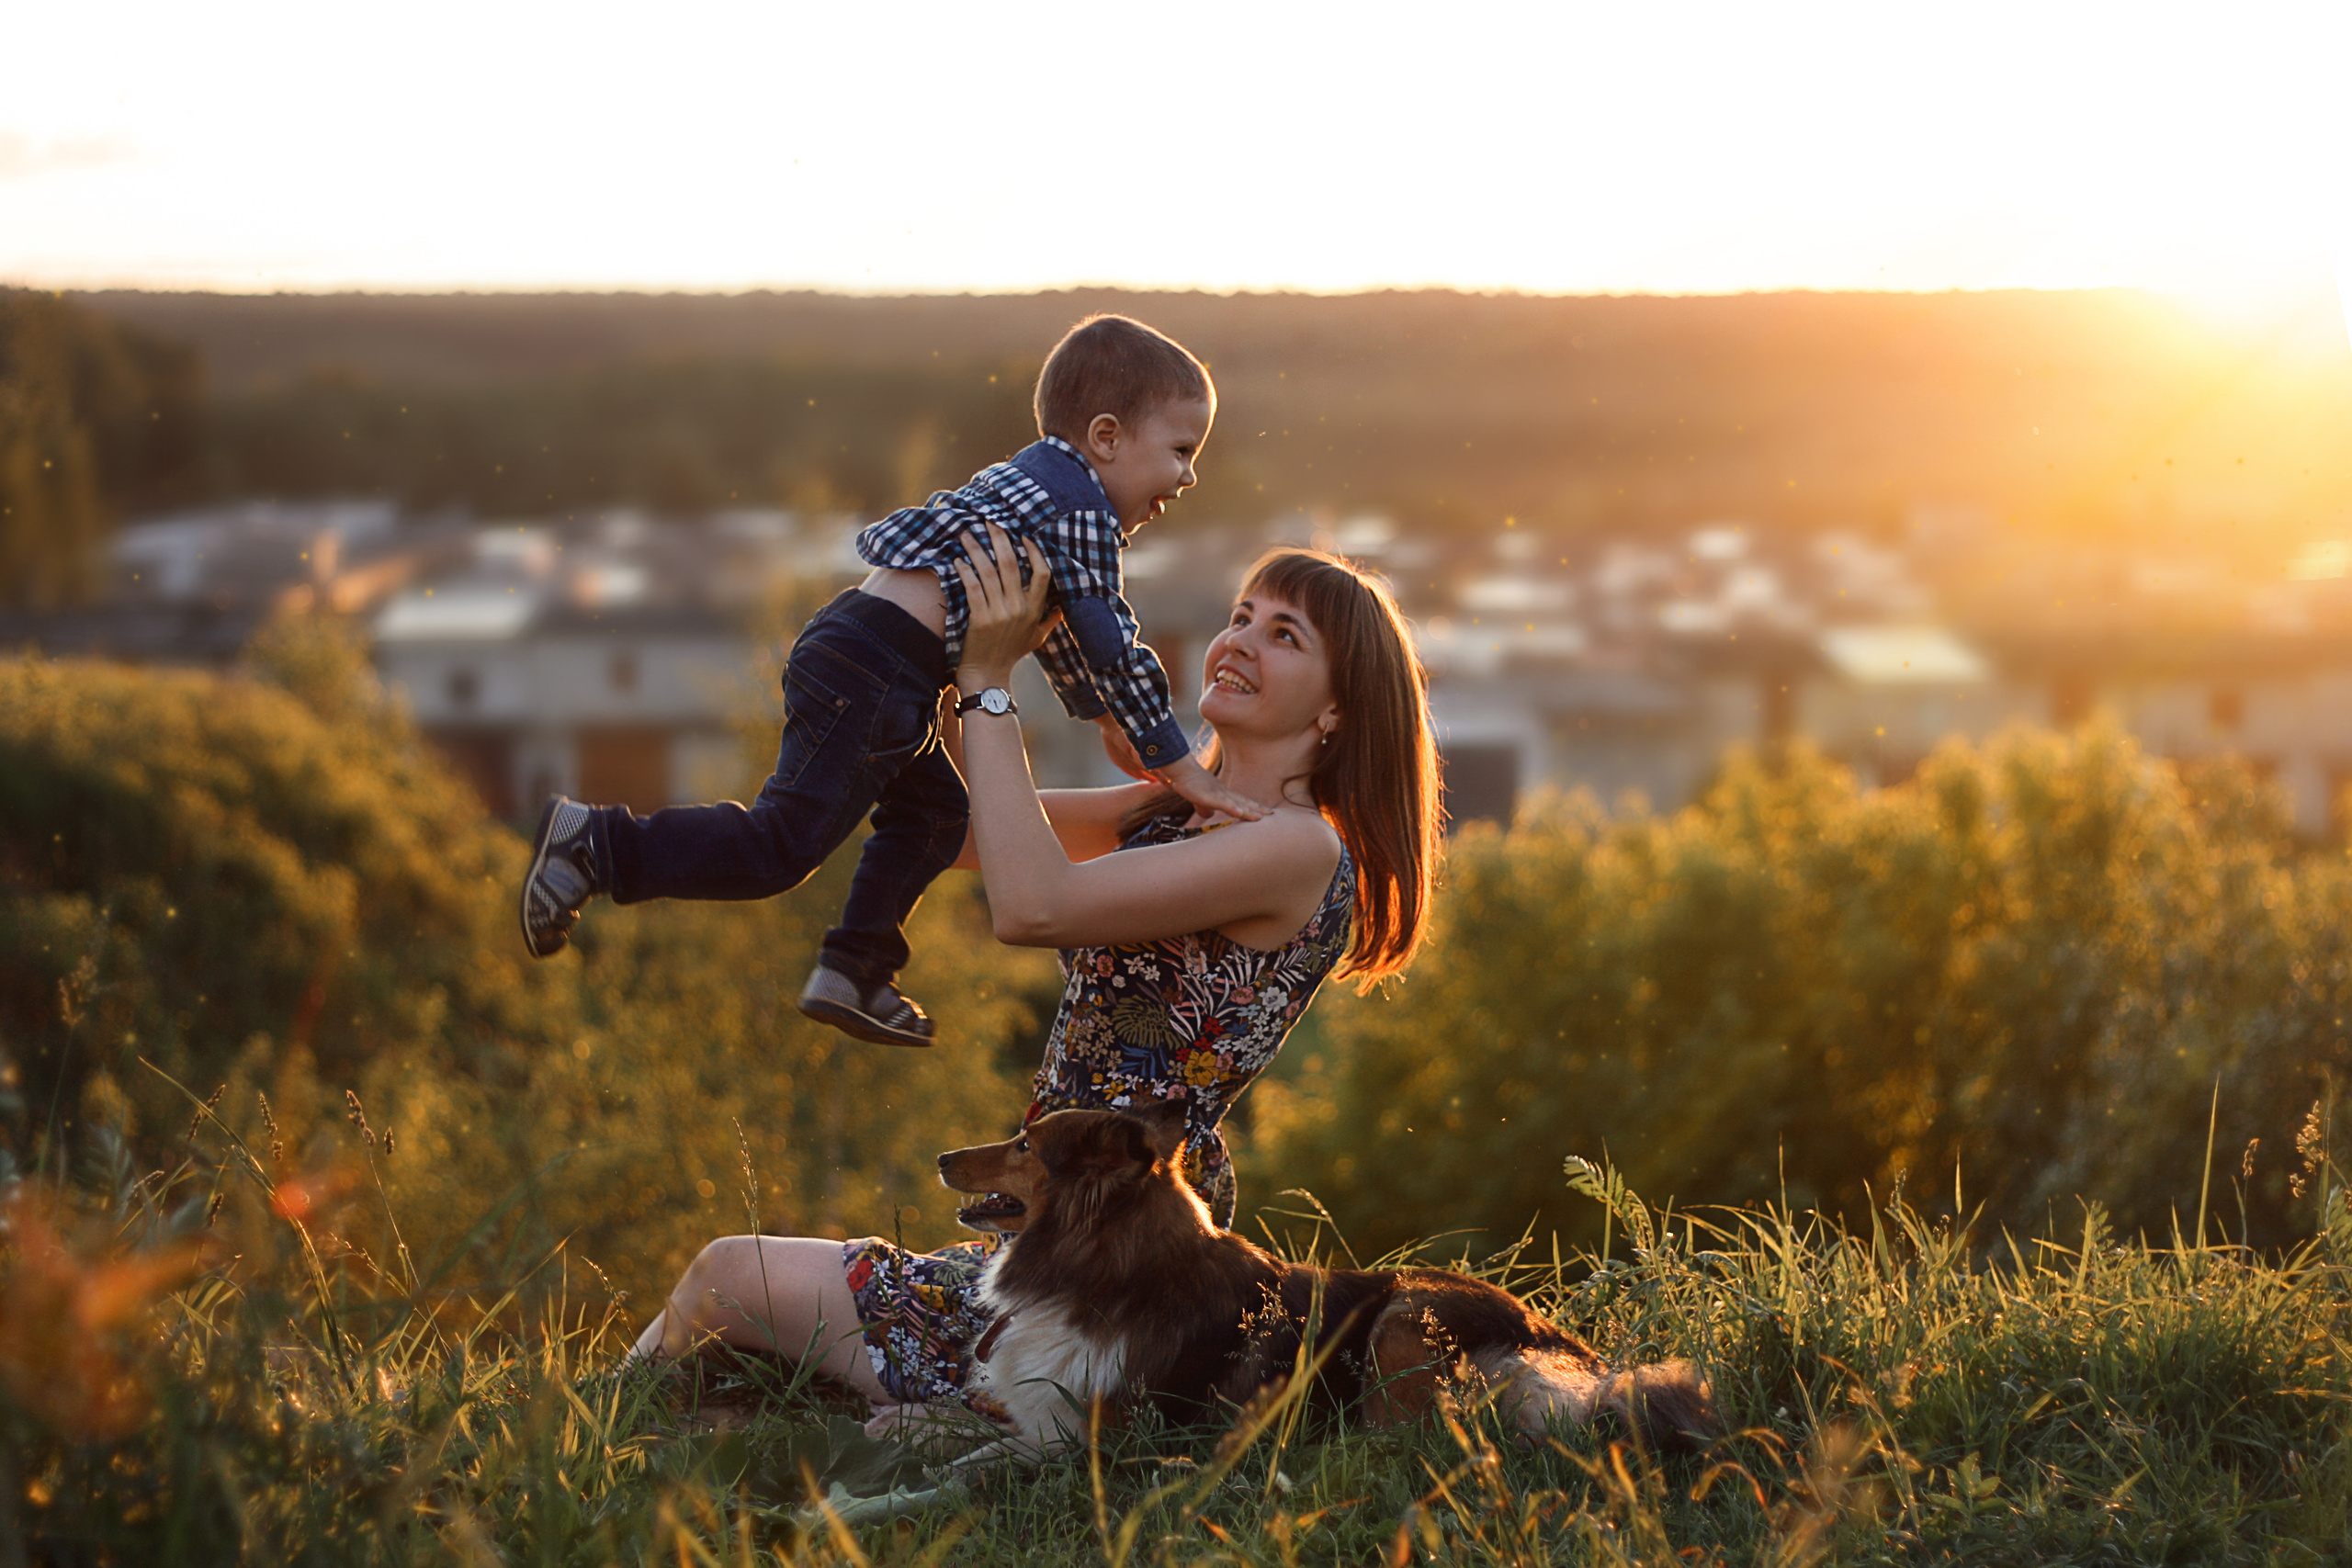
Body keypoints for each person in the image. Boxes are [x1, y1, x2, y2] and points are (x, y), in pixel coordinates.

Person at [627, 531, 1442, 1435]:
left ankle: (577, 1444)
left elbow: (1032, 905)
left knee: (727, 1276)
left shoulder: (1296, 846)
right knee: (731, 1337)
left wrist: (990, 684)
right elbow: (953, 833)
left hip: (1121, 1243)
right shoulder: (1177, 813)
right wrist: (931, 656)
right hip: (1070, 1227)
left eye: (1285, 635)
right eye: (1242, 615)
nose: (1240, 639)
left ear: (1337, 709)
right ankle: (609, 1440)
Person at [519, 315, 1262, 1050]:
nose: (1190, 474)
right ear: (1107, 438)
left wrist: (1102, 718)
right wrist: (1175, 762)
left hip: (869, 655)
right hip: (877, 666)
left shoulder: (1043, 483)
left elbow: (1061, 624)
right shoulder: (1082, 512)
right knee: (783, 844)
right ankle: (598, 842)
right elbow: (1109, 637)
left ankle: (856, 969)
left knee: (936, 817)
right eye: (1180, 450)